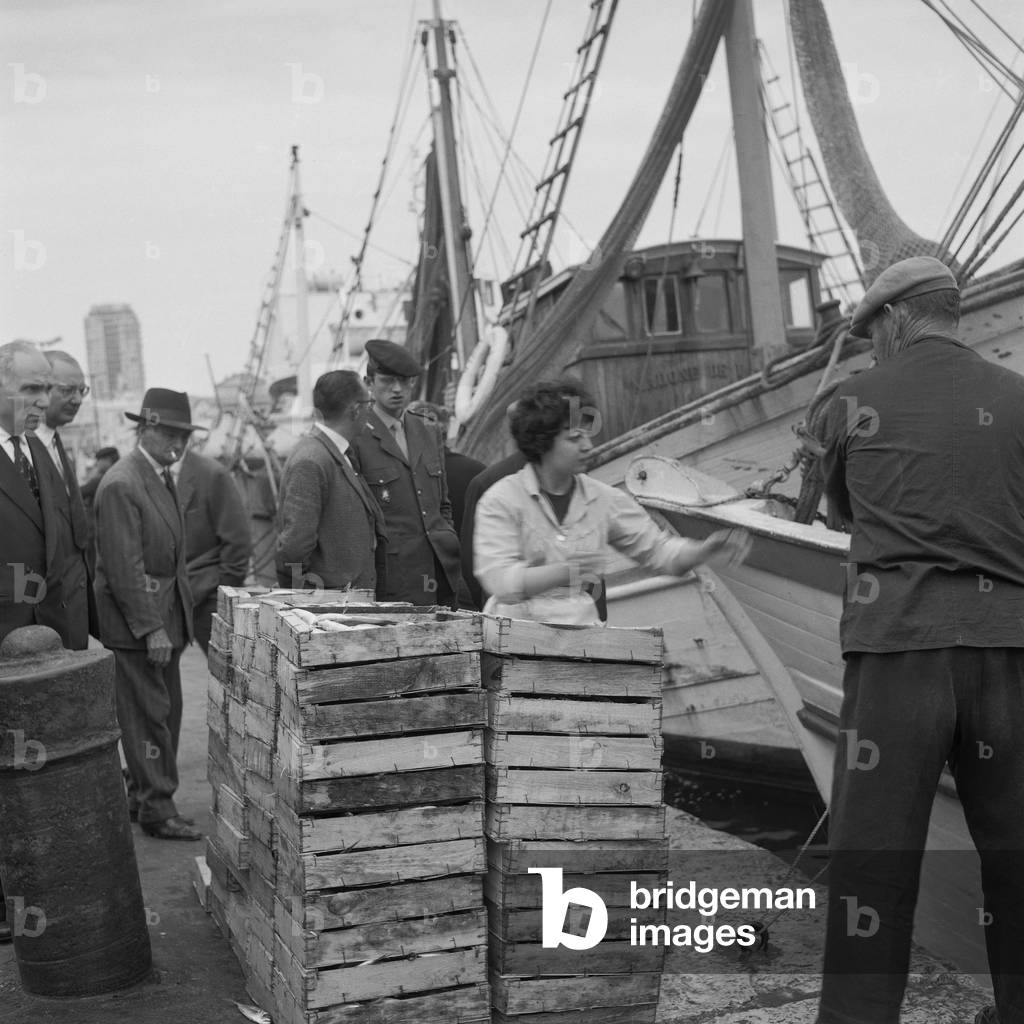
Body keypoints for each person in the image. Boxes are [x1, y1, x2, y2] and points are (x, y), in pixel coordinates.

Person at [819, 256, 1024, 1024]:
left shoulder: (848, 402)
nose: (873, 346)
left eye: (873, 332)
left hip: (898, 649)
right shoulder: (1018, 396)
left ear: (896, 319)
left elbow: (840, 513)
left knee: (874, 864)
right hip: (1011, 650)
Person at [474, 380, 749, 625]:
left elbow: (659, 552)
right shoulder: (500, 501)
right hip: (513, 649)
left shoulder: (605, 500)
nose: (588, 446)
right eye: (574, 438)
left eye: (587, 435)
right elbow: (500, 581)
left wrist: (703, 550)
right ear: (541, 443)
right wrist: (567, 573)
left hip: (581, 650)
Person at [94, 388, 201, 841]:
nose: (179, 443)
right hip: (140, 626)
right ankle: (157, 810)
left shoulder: (157, 474)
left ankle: (144, 800)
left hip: (165, 619)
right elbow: (123, 567)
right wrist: (151, 627)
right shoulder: (123, 482)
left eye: (185, 435)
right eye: (171, 433)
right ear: (147, 428)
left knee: (158, 714)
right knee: (149, 717)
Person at [349, 339, 461, 607]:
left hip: (442, 567)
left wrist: (448, 536)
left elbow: (442, 502)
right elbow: (358, 518)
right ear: (369, 383)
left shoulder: (428, 429)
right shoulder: (357, 436)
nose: (397, 389)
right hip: (394, 576)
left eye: (405, 381)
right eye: (387, 381)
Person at [276, 370, 386, 594]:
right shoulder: (312, 460)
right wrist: (305, 600)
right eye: (369, 403)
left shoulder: (334, 453)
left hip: (344, 603)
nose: (370, 409)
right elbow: (294, 547)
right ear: (355, 410)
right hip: (329, 608)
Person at [0, 341, 78, 647]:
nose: (44, 402)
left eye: (47, 389)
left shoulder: (37, 450)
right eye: (32, 389)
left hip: (52, 637)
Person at [30, 351, 98, 649]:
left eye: (81, 390)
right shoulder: (25, 451)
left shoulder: (56, 444)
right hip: (44, 617)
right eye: (67, 390)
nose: (77, 399)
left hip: (73, 609)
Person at [176, 447, 251, 655]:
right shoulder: (145, 475)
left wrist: (221, 590)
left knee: (228, 674)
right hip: (168, 601)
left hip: (207, 596)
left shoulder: (211, 474)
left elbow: (238, 540)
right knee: (160, 680)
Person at [80, 446, 120, 577]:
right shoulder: (119, 473)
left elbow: (80, 492)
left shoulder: (102, 478)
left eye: (99, 460)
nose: (97, 464)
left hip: (97, 528)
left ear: (108, 460)